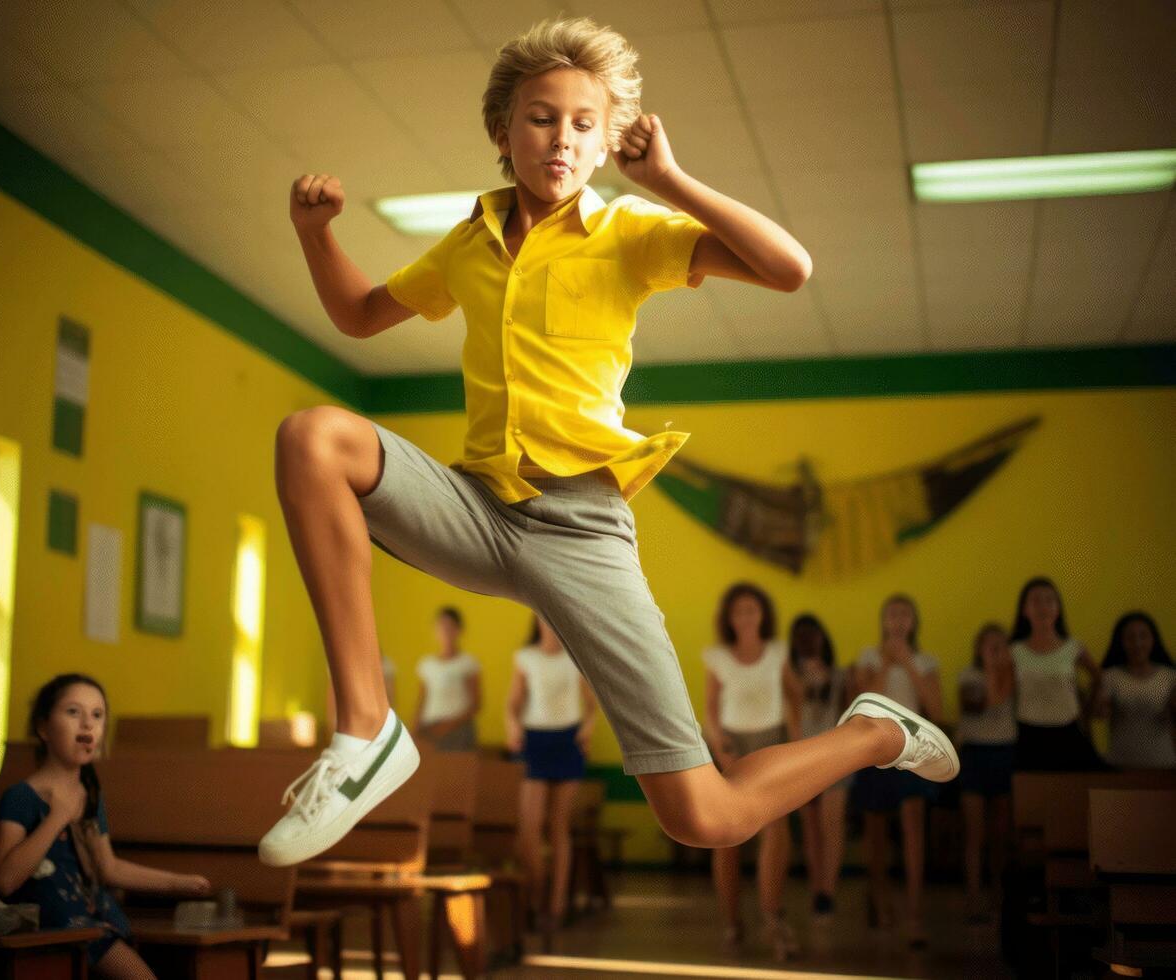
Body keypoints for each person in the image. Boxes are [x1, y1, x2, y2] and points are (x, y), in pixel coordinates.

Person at [258, 14, 957, 871]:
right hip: (479, 508)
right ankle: (366, 730)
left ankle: (877, 733)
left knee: (705, 815)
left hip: (581, 530)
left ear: (603, 145)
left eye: (584, 124)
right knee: (314, 438)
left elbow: (788, 269)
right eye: (541, 117)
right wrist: (313, 233)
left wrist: (669, 179)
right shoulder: (469, 243)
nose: (561, 138)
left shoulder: (629, 234)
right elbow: (360, 316)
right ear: (502, 131)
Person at [0, 675, 210, 979]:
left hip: (92, 919)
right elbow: (4, 880)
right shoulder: (22, 796)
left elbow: (108, 868)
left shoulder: (90, 793)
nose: (87, 724)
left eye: (97, 715)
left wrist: (177, 883)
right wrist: (57, 818)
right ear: (43, 728)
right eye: (73, 712)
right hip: (51, 927)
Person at [703, 584, 802, 960]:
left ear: (763, 615)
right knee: (726, 838)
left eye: (753, 610)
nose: (746, 617)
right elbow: (710, 711)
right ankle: (732, 922)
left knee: (775, 832)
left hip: (772, 749)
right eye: (739, 611)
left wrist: (795, 745)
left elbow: (796, 697)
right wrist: (722, 748)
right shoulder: (717, 658)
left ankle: (772, 915)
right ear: (729, 618)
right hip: (731, 750)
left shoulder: (778, 653)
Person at [849, 594, 944, 948]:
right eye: (892, 613)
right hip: (874, 752)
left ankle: (915, 915)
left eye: (905, 614)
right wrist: (888, 665)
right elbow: (862, 704)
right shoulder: (869, 658)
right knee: (874, 835)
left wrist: (909, 663)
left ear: (914, 621)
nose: (899, 620)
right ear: (883, 621)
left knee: (913, 828)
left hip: (914, 752)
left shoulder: (927, 660)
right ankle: (881, 904)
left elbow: (935, 708)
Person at [505, 613, 597, 941]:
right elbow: (512, 704)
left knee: (559, 826)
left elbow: (591, 705)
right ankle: (534, 896)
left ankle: (555, 907)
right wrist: (512, 725)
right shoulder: (525, 657)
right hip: (534, 741)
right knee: (529, 828)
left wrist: (588, 727)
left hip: (568, 741)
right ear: (538, 622)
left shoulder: (576, 658)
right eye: (546, 618)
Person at [1009, 577, 1105, 771]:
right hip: (1028, 734)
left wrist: (1088, 707)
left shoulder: (1073, 647)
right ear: (1025, 609)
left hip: (1068, 731)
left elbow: (1099, 677)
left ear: (1058, 608)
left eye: (1050, 600)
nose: (1043, 607)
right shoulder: (1014, 651)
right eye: (1036, 601)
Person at [789, 613, 850, 919]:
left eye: (814, 635)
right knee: (810, 828)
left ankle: (828, 889)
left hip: (835, 758)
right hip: (801, 758)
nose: (809, 642)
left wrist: (824, 679)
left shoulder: (840, 675)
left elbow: (846, 714)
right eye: (802, 636)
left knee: (831, 824)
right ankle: (817, 889)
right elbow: (791, 716)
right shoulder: (789, 677)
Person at [956, 624, 1017, 922]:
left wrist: (1000, 671)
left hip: (1003, 753)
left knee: (1001, 834)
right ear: (978, 648)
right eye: (988, 645)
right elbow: (983, 705)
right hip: (975, 755)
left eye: (1000, 645)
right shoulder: (968, 676)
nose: (994, 650)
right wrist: (993, 671)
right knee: (974, 833)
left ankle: (998, 897)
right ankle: (973, 897)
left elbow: (1002, 700)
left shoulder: (1013, 675)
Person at [1093, 611, 1176, 769]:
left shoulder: (1170, 677)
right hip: (1120, 764)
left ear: (1153, 639)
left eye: (1143, 636)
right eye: (1130, 638)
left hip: (1164, 765)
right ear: (1121, 642)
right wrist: (1098, 696)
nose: (1137, 644)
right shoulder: (1111, 676)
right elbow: (1099, 714)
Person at [414, 606, 482, 750]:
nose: (444, 631)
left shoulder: (468, 663)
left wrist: (447, 726)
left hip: (458, 730)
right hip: (430, 727)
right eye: (441, 626)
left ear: (459, 630)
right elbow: (422, 699)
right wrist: (415, 728)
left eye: (449, 626)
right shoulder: (427, 664)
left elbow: (475, 704)